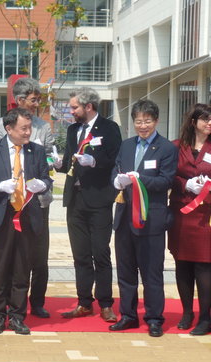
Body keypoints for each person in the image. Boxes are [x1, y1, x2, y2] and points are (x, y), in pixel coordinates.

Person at [0, 77, 59, 318]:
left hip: (34, 205)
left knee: (32, 259)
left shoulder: (42, 130)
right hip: (6, 204)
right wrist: (0, 185)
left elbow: (48, 160)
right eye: (33, 100)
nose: (37, 104)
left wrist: (49, 168)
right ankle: (0, 310)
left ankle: (30, 305)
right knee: (3, 261)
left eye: (39, 99)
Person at [0, 107, 52, 335]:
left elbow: (46, 178)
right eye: (23, 128)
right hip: (2, 215)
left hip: (28, 216)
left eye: (29, 127)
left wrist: (42, 184)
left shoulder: (36, 151)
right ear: (9, 129)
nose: (28, 132)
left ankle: (18, 315)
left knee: (22, 268)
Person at [110, 99, 178, 337]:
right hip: (125, 217)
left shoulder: (167, 148)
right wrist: (117, 180)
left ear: (156, 121)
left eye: (147, 121)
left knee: (151, 273)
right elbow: (116, 169)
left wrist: (140, 179)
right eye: (138, 121)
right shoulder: (127, 145)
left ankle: (154, 318)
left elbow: (166, 181)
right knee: (126, 271)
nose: (142, 126)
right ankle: (128, 315)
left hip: (151, 219)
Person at [57, 87, 121, 322]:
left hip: (99, 200)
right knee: (80, 254)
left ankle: (105, 303)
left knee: (100, 253)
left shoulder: (109, 128)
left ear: (89, 107)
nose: (71, 111)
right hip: (75, 200)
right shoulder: (73, 129)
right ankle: (84, 302)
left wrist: (95, 161)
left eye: (74, 107)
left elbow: (115, 158)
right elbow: (68, 163)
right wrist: (57, 163)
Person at [168, 103, 211, 336]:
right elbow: (168, 175)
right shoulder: (177, 146)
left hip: (206, 216)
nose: (209, 123)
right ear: (194, 122)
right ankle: (187, 313)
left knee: (204, 267)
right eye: (205, 119)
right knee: (182, 264)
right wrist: (186, 184)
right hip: (180, 214)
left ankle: (206, 317)